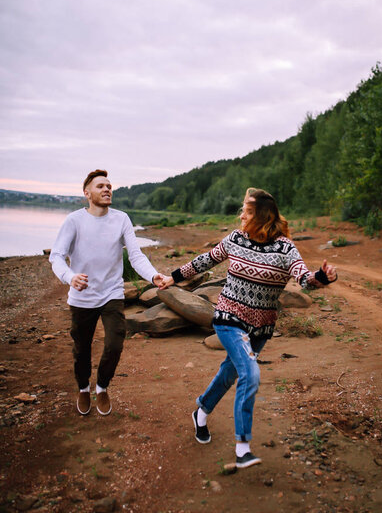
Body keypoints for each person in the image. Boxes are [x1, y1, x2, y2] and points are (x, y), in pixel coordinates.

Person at [159, 188, 337, 468]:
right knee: (250, 373)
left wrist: (322, 278)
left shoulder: (285, 248)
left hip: (261, 327)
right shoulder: (235, 239)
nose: (241, 215)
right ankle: (243, 448)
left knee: (231, 372)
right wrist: (172, 278)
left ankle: (201, 412)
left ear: (262, 215)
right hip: (228, 316)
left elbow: (304, 278)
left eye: (247, 210)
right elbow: (204, 261)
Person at [50, 169, 166, 416]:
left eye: (109, 186)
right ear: (87, 193)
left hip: (112, 293)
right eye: (100, 186)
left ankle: (102, 387)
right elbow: (57, 256)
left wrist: (153, 275)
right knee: (82, 348)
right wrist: (71, 277)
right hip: (82, 296)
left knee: (115, 343)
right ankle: (83, 389)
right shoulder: (74, 221)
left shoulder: (121, 218)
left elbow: (135, 255)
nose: (106, 189)